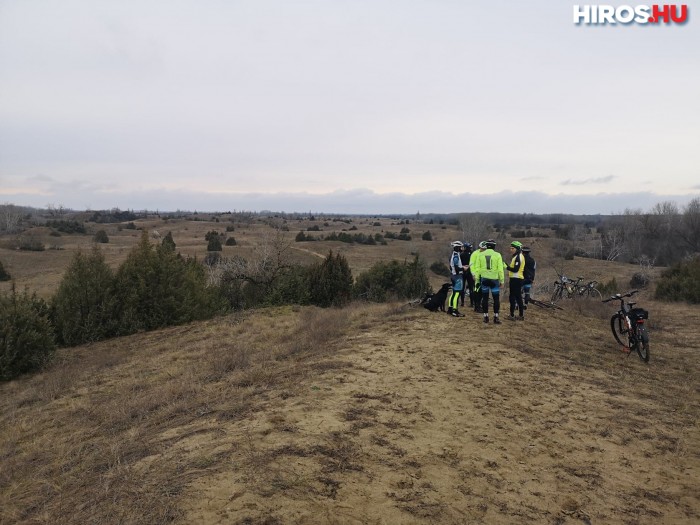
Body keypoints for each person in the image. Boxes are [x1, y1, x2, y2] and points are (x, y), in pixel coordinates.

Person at [473, 239, 504, 324]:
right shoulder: (498, 255)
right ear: (494, 246)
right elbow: (500, 269)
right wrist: (502, 281)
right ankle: (496, 317)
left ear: (486, 246)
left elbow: (477, 269)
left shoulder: (480, 255)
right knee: (496, 299)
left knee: (485, 298)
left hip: (484, 279)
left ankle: (485, 317)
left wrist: (477, 280)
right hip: (494, 279)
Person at [505, 241, 526, 320]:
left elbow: (515, 269)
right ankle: (519, 315)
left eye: (513, 248)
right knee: (517, 297)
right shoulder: (517, 256)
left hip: (516, 279)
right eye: (510, 248)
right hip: (516, 278)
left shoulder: (518, 257)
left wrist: (507, 267)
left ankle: (513, 315)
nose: (511, 250)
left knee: (514, 297)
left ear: (517, 249)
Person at [448, 241, 465, 317]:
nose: (462, 248)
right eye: (461, 247)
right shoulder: (456, 256)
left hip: (453, 275)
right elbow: (457, 268)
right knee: (457, 294)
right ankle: (455, 311)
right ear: (457, 247)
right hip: (457, 276)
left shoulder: (456, 254)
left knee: (453, 293)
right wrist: (463, 268)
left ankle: (450, 308)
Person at [470, 241, 486, 313]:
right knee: (477, 291)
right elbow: (471, 264)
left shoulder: (486, 254)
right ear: (480, 247)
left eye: (484, 249)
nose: (483, 250)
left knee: (482, 292)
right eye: (482, 248)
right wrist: (473, 274)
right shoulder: (475, 253)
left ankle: (480, 305)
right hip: (477, 275)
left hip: (484, 275)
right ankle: (477, 306)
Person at [460, 242, 475, 308]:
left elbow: (459, 263)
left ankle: (462, 302)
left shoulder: (461, 254)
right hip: (470, 272)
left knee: (462, 288)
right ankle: (472, 303)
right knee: (471, 288)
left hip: (463, 271)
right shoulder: (472, 255)